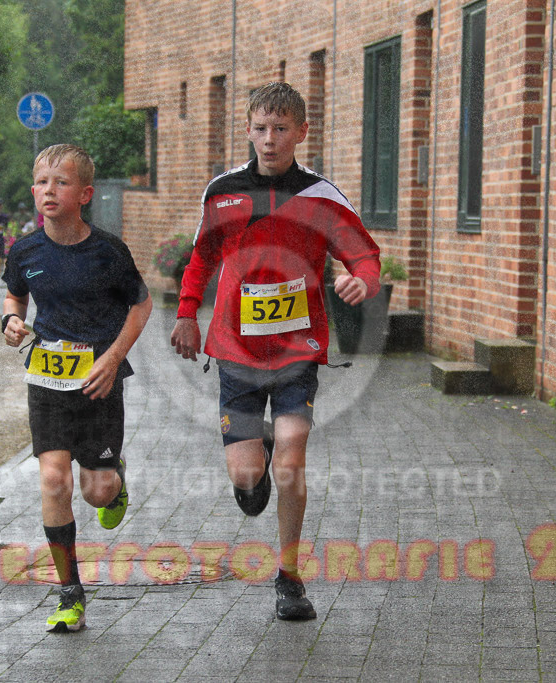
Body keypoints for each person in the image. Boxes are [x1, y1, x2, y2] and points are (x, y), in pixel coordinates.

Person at [170, 82, 380, 620]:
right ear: (248, 129)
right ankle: (251, 463)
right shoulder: (223, 192)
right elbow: (200, 259)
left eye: (281, 129)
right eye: (260, 128)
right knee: (246, 477)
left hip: (296, 352)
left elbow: (364, 255)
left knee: (292, 458)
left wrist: (363, 279)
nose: (270, 139)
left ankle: (289, 578)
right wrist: (185, 314)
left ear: (301, 133)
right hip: (237, 353)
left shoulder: (321, 197)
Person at [1, 144, 152, 632]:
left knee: (97, 492)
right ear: (33, 191)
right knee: (52, 479)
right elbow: (14, 295)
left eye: (61, 183)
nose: (50, 190)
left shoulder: (108, 251)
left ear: (84, 194)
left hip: (97, 380)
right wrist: (11, 320)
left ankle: (115, 480)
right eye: (43, 182)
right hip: (47, 378)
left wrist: (112, 359)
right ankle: (69, 592)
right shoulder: (24, 251)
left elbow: (141, 306)